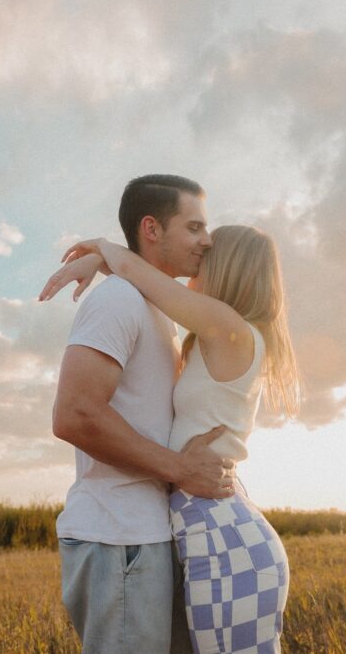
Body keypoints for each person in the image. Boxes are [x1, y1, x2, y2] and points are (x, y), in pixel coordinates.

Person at [41, 224, 301, 654]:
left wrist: (102, 249)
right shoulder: (213, 336)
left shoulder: (227, 326)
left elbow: (142, 276)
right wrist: (102, 262)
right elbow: (142, 279)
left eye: (206, 254)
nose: (196, 258)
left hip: (223, 535)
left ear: (226, 268)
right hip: (208, 524)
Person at [45, 175, 238, 653]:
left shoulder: (152, 306)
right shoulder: (117, 301)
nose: (206, 241)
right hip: (119, 539)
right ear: (152, 229)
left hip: (144, 536)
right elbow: (74, 415)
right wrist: (180, 468)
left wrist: (104, 257)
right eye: (193, 227)